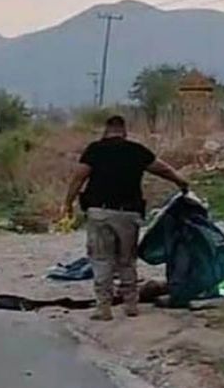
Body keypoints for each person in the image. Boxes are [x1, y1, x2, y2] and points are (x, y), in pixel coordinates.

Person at [62, 115, 189, 320]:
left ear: (106, 130)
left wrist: (68, 203)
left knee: (102, 260)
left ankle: (103, 308)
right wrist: (181, 182)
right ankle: (131, 305)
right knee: (127, 260)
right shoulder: (136, 151)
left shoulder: (95, 150)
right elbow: (162, 169)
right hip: (128, 215)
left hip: (99, 213)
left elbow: (79, 177)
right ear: (124, 131)